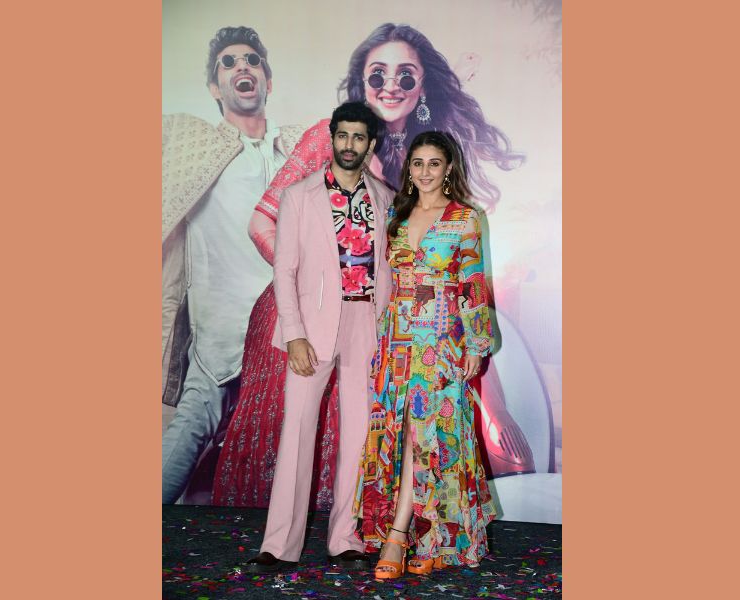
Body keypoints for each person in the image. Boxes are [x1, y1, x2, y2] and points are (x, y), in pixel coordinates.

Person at [212, 22, 530, 510]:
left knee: (365, 435)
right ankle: (274, 539)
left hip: (377, 322)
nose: (391, 86)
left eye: (406, 76)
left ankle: (357, 533)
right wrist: (319, 283)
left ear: (423, 87)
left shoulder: (421, 156)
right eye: (378, 74)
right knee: (296, 441)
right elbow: (261, 223)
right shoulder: (331, 137)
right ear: (361, 81)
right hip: (306, 315)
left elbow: (444, 268)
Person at [245, 102, 394, 573]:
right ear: (332, 138)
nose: (349, 145)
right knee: (297, 431)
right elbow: (284, 270)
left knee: (359, 434)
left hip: (366, 324)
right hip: (311, 328)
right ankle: (279, 544)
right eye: (342, 135)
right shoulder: (299, 196)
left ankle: (345, 537)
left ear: (370, 144)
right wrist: (293, 335)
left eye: (358, 137)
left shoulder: (385, 197)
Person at [161, 25, 305, 504]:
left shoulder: (294, 150)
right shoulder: (196, 149)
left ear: (268, 80)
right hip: (222, 333)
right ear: (214, 88)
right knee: (188, 434)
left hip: (287, 331)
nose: (242, 66)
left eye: (252, 60)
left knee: (283, 453)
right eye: (229, 62)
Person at [356, 131, 496, 579]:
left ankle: (401, 534)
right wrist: (377, 342)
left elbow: (473, 285)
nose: (425, 172)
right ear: (409, 169)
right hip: (397, 341)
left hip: (442, 341)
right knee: (400, 436)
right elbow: (385, 282)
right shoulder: (396, 216)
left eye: (434, 163)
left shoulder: (464, 219)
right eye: (417, 163)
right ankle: (427, 534)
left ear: (448, 167)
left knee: (433, 437)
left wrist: (474, 344)